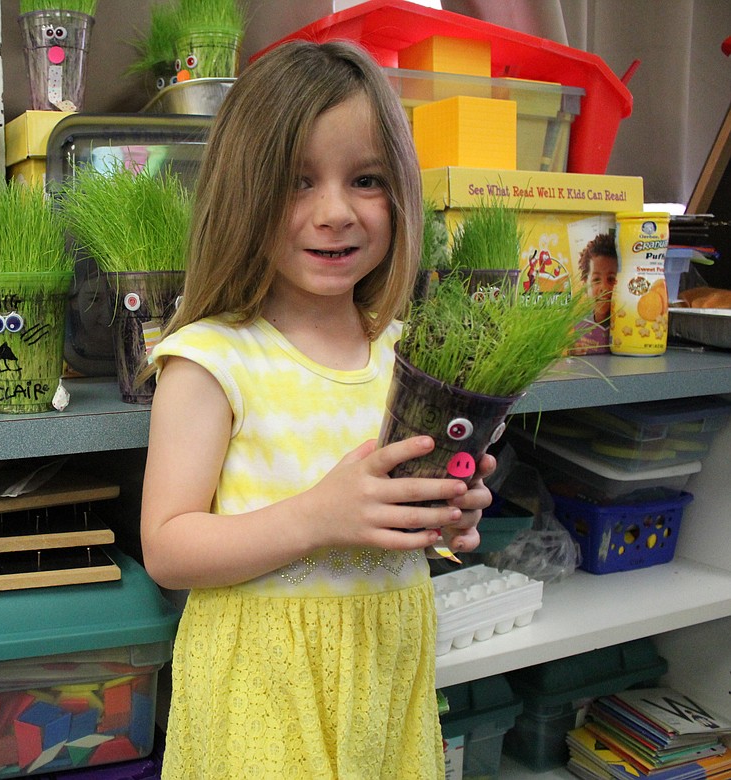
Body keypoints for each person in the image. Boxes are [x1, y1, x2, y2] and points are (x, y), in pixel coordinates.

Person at [139, 40, 496, 779]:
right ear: (245, 192)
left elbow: (403, 523)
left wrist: (444, 516)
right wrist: (316, 518)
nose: (335, 212)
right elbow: (168, 550)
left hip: (381, 672)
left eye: (365, 179)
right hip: (262, 695)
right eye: (298, 182)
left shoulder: (406, 354)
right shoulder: (213, 358)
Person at [571, 231, 618, 354]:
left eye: (611, 279)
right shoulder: (576, 326)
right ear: (585, 284)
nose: (604, 288)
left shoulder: (628, 324)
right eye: (596, 280)